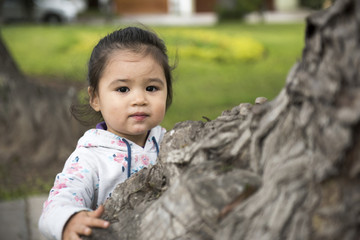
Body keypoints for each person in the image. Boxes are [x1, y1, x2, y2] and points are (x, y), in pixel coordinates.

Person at [39, 26, 174, 240]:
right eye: (122, 89)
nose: (139, 99)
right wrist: (69, 220)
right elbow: (56, 204)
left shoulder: (172, 143)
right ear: (95, 98)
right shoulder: (89, 158)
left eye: (151, 88)